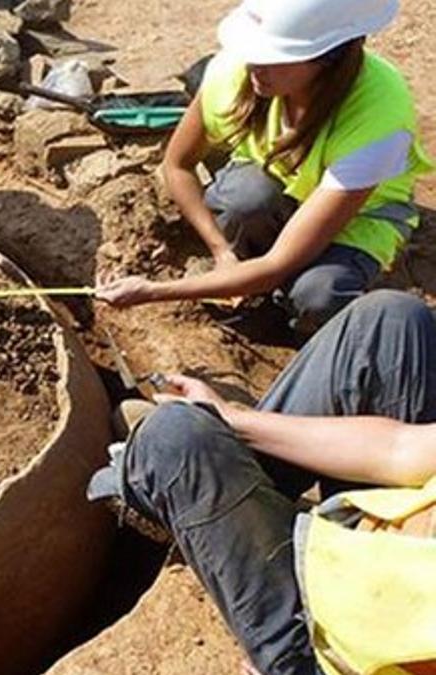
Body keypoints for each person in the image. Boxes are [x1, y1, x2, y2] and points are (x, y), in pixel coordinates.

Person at [93, 290, 436, 674]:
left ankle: (194, 481)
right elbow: (400, 449)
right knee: (389, 320)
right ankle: (216, 474)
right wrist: (230, 417)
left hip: (334, 638)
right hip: (364, 545)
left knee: (172, 437)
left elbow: (277, 264)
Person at [96, 0, 433, 335]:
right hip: (280, 184)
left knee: (317, 295)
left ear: (327, 59)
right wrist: (221, 251)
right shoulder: (234, 72)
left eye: (274, 58)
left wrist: (153, 291)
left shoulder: (379, 121)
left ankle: (311, 327)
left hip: (360, 216)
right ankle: (250, 272)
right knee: (242, 199)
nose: (255, 66)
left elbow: (277, 265)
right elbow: (178, 165)